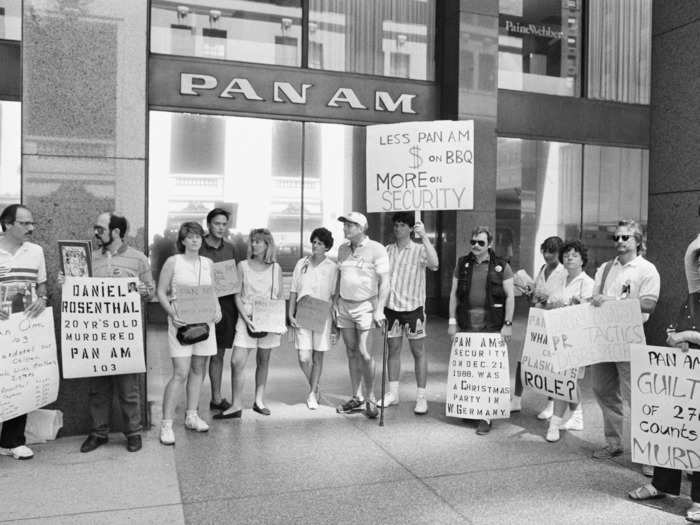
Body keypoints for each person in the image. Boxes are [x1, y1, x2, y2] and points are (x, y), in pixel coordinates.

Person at [628, 236, 700, 522]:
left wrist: (685, 336)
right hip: (686, 373)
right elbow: (691, 251)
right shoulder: (693, 296)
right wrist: (674, 336)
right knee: (672, 427)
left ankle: (699, 499)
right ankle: (662, 484)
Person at [77, 212, 155, 454]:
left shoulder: (138, 259)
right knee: (97, 388)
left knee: (128, 389)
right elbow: (78, 289)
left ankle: (133, 432)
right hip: (97, 333)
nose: (95, 232)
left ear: (116, 232)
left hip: (125, 336)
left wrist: (134, 283)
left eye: (100, 228)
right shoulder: (89, 258)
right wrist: (67, 283)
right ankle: (98, 433)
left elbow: (150, 292)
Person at [589, 219, 660, 460]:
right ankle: (613, 442)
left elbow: (650, 303)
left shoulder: (646, 269)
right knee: (602, 389)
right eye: (616, 237)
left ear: (638, 241)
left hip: (630, 337)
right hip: (604, 337)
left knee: (636, 396)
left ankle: (650, 454)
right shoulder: (606, 268)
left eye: (625, 237)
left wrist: (615, 302)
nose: (619, 241)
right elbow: (594, 297)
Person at [157, 222, 221, 445]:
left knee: (198, 368)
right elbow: (160, 292)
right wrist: (171, 313)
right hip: (181, 323)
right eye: (190, 237)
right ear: (183, 240)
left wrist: (218, 309)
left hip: (205, 323)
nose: (195, 240)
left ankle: (191, 415)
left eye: (198, 237)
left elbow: (213, 290)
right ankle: (166, 424)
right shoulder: (173, 262)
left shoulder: (208, 263)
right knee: (180, 372)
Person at [448, 225, 514, 435]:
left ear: (490, 244)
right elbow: (453, 294)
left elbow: (510, 296)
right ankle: (471, 408)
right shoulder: (463, 263)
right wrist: (451, 321)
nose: (476, 246)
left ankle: (486, 415)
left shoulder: (502, 266)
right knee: (470, 369)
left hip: (492, 326)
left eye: (481, 243)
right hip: (467, 324)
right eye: (473, 241)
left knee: (489, 373)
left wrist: (508, 324)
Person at [215, 228, 283, 419]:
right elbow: (236, 295)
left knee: (263, 360)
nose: (254, 244)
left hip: (268, 319)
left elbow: (279, 296)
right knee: (237, 361)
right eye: (252, 241)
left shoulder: (275, 268)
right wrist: (246, 318)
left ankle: (259, 400)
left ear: (267, 244)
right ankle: (236, 404)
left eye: (259, 241)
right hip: (246, 318)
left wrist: (278, 321)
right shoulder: (242, 266)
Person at [378, 212, 438, 415]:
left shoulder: (420, 249)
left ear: (411, 228)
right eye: (396, 225)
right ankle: (393, 393)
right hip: (391, 308)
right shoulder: (387, 250)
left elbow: (435, 264)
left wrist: (425, 238)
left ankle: (421, 397)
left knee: (418, 352)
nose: (398, 228)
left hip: (413, 309)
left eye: (403, 225)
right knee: (392, 349)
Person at [0, 204, 48, 460]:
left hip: (25, 326)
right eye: (25, 223)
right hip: (0, 324)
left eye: (32, 223)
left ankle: (12, 441)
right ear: (8, 224)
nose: (31, 228)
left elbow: (42, 284)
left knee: (19, 379)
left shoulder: (36, 251)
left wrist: (42, 297)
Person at [334, 212, 390, 419]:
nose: (346, 228)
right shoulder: (342, 249)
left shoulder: (377, 249)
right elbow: (341, 277)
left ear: (362, 227)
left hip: (366, 306)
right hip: (345, 306)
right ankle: (356, 396)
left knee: (365, 353)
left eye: (350, 225)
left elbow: (386, 282)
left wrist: (380, 309)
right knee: (350, 351)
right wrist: (335, 303)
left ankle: (371, 397)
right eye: (345, 225)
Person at [542, 240, 594, 442]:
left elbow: (587, 312)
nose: (569, 258)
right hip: (556, 335)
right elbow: (548, 303)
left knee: (563, 380)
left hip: (576, 340)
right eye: (566, 255)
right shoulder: (560, 279)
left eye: (574, 255)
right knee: (568, 380)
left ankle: (554, 424)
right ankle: (578, 415)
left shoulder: (587, 283)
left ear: (582, 259)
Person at [511, 236, 566, 417]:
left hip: (554, 321)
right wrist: (530, 292)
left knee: (549, 363)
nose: (547, 255)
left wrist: (547, 298)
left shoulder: (564, 272)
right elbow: (535, 295)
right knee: (523, 358)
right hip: (536, 319)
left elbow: (565, 298)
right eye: (545, 251)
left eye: (552, 252)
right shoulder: (543, 269)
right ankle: (517, 398)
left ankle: (551, 403)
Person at [288, 228, 337, 409]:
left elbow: (334, 295)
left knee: (318, 355)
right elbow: (293, 290)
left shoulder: (332, 267)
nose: (316, 246)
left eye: (320, 244)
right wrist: (290, 313)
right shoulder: (302, 263)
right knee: (303, 356)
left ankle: (311, 394)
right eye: (314, 242)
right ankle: (315, 387)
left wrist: (333, 321)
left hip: (321, 315)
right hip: (303, 313)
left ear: (327, 247)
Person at [199, 208, 240, 412]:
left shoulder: (230, 248)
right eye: (217, 224)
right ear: (209, 225)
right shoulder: (198, 245)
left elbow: (232, 279)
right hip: (201, 304)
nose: (221, 228)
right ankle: (192, 401)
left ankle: (216, 398)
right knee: (198, 354)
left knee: (219, 353)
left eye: (224, 224)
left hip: (225, 306)